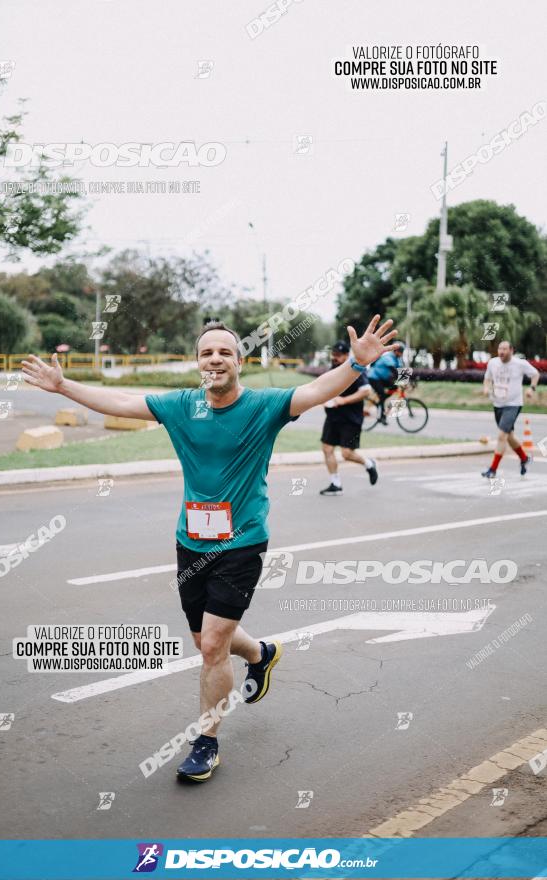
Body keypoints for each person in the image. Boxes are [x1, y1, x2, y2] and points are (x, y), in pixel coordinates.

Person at [20, 314, 396, 782]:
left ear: (240, 361)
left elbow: (316, 392)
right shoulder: (181, 406)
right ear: (197, 363)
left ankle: (206, 742)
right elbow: (118, 399)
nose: (215, 359)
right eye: (206, 352)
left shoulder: (265, 406)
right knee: (204, 638)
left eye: (224, 352)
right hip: (191, 542)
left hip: (243, 543)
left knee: (212, 646)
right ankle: (260, 653)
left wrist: (356, 366)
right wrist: (62, 386)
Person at [319, 340, 377, 495]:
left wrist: (343, 400)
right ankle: (335, 484)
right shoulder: (333, 368)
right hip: (333, 417)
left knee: (346, 454)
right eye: (333, 354)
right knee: (327, 448)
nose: (334, 357)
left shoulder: (355, 368)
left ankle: (369, 464)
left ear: (346, 355)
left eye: (338, 355)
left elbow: (365, 391)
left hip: (351, 418)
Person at [481, 340, 539, 478]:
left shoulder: (520, 364)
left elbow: (535, 374)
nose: (501, 352)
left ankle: (492, 470)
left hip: (513, 404)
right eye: (500, 349)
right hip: (497, 404)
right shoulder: (493, 363)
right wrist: (486, 387)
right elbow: (487, 379)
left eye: (505, 349)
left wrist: (532, 388)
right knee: (509, 437)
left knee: (502, 436)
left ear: (511, 350)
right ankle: (524, 459)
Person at [367, 341, 406, 423]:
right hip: (373, 377)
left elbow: (401, 371)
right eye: (400, 352)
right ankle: (381, 416)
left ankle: (382, 399)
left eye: (402, 352)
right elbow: (394, 370)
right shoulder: (388, 356)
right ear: (395, 351)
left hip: (381, 379)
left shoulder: (397, 359)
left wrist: (409, 380)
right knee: (381, 394)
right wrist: (401, 381)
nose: (401, 354)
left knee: (394, 387)